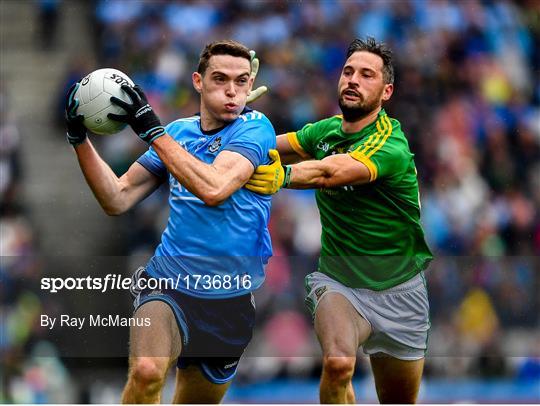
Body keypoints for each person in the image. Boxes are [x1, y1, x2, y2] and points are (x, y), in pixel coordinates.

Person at [65, 40, 276, 403]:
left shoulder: (256, 129)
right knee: (147, 373)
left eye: (241, 82)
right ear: (197, 81)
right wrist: (79, 139)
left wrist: (152, 130)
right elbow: (117, 198)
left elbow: (214, 187)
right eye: (220, 79)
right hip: (168, 283)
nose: (232, 91)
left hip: (229, 301)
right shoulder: (179, 133)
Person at [246, 37, 433, 403]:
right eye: (348, 72)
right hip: (339, 283)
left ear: (386, 91)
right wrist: (237, 117)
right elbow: (264, 145)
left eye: (367, 75)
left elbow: (334, 172)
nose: (353, 80)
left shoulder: (390, 144)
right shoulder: (325, 131)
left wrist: (284, 176)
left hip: (401, 292)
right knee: (337, 364)